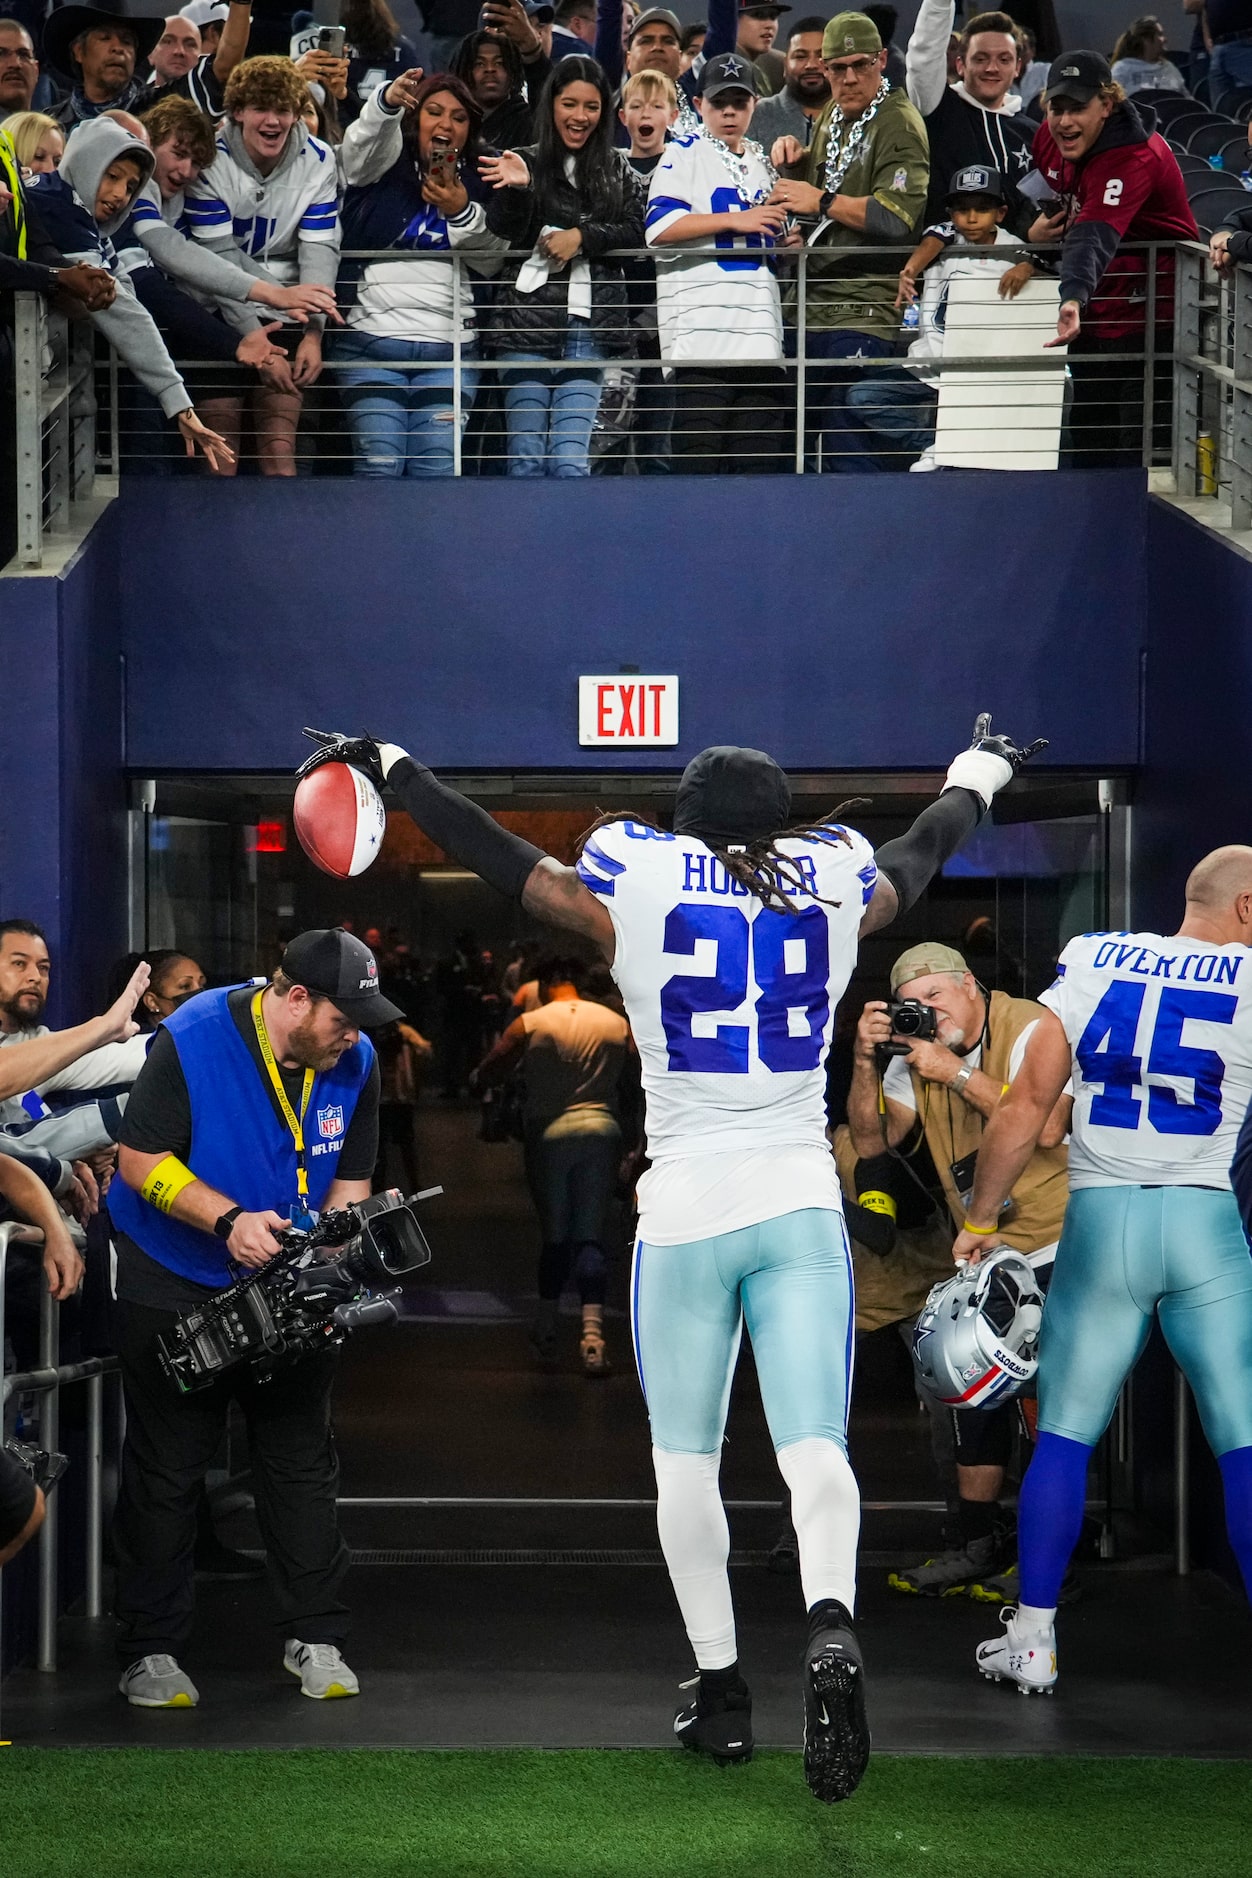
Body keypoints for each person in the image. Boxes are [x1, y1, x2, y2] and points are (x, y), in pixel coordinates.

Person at [297, 711, 1046, 1802]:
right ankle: (829, 1624)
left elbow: (508, 865)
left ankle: (722, 1689)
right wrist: (977, 774)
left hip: (689, 1205)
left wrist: (402, 770)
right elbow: (920, 850)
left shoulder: (638, 875)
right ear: (783, 818)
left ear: (684, 820)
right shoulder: (832, 878)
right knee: (814, 1448)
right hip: (796, 1202)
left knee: (684, 1463)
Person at [953, 848, 1252, 1693]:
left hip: (1102, 1220)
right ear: (1245, 909)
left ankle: (1036, 1642)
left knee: (1066, 1436)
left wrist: (980, 1220)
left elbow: (1023, 1108)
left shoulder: (1093, 958)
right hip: (1204, 1222)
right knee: (1244, 1442)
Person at [106, 929, 398, 1709]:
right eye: (344, 1016)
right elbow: (140, 1162)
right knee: (169, 1466)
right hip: (176, 1274)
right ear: (295, 998)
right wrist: (228, 1219)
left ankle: (316, 1635)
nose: (354, 1034)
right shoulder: (195, 1034)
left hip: (288, 1282)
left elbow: (354, 1180)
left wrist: (330, 1264)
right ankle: (151, 1651)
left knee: (301, 1459)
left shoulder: (354, 1060)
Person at [847, 939, 1069, 1598]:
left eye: (934, 998)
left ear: (969, 985)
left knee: (1046, 1406)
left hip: (1058, 1241)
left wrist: (954, 1072)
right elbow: (870, 1140)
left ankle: (1046, 1567)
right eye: (909, 1005)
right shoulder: (912, 1054)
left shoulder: (1031, 1024)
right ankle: (977, 1545)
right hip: (983, 1251)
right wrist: (866, 1060)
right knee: (969, 1396)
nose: (924, 1013)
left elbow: (1052, 1123)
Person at [28, 114, 236, 470]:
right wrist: (178, 401)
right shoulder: (58, 206)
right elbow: (124, 313)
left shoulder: (76, 209)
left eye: (130, 185)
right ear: (86, 163)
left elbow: (123, 289)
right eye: (112, 177)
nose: (119, 195)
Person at [769, 12, 929, 470]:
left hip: (862, 308)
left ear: (882, 60)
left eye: (862, 65)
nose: (851, 78)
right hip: (810, 304)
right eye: (839, 68)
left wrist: (818, 198)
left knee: (846, 435)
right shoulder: (831, 117)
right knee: (795, 440)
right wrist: (797, 170)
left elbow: (895, 218)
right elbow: (828, 204)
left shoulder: (898, 122)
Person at [335, 68, 508, 477]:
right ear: (415, 118)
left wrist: (460, 211)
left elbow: (494, 261)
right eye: (433, 111)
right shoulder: (384, 161)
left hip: (450, 356)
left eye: (459, 117)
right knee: (379, 469)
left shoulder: (484, 180)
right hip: (370, 349)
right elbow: (356, 154)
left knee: (437, 474)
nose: (445, 124)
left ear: (470, 130)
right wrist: (386, 104)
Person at [1030, 50, 1196, 468]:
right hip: (1098, 309)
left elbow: (1093, 234)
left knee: (1142, 455)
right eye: (1057, 107)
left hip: (1158, 317)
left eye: (1078, 109)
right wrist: (1034, 229)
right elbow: (1043, 196)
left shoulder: (1134, 155)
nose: (1065, 121)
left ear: (1107, 104)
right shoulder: (1047, 140)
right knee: (1089, 441)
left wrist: (1071, 295)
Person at [481, 56, 645, 478]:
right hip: (524, 330)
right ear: (550, 104)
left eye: (591, 107)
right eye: (569, 104)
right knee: (526, 461)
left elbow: (636, 229)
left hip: (588, 334)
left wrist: (582, 238)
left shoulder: (618, 167)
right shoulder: (521, 161)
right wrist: (521, 190)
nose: (580, 116)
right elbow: (503, 227)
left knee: (572, 464)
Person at [184, 55, 343, 474]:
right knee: (220, 458)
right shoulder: (208, 161)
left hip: (288, 314)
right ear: (237, 111)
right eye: (260, 108)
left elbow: (319, 249)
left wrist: (313, 334)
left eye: (283, 109)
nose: (273, 121)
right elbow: (217, 261)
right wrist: (256, 340)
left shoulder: (321, 159)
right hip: (215, 312)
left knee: (279, 452)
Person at [475, 954, 630, 1374]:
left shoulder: (531, 1022)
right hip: (602, 1130)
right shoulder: (616, 1023)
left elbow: (491, 1070)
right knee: (592, 1236)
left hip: (550, 1135)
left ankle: (546, 1326)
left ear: (544, 984)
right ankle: (594, 1338)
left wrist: (492, 1078)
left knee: (557, 1235)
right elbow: (638, 1076)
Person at [835, 163, 1034, 470]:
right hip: (931, 362)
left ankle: (956, 448)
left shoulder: (1016, 249)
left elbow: (1048, 270)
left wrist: (1027, 267)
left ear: (1001, 213)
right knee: (862, 396)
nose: (970, 218)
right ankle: (935, 444)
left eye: (981, 209)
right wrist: (911, 270)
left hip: (986, 370)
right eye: (961, 209)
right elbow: (935, 236)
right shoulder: (942, 240)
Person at [646, 52, 790, 474]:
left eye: (739, 102)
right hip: (702, 343)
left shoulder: (761, 163)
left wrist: (783, 240)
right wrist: (738, 219)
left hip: (761, 342)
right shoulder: (682, 153)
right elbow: (658, 227)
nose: (729, 111)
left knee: (756, 476)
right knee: (699, 475)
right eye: (718, 102)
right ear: (697, 105)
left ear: (755, 105)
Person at [905, 3, 1035, 235]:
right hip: (947, 262)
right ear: (960, 65)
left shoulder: (1032, 132)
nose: (992, 68)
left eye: (1004, 59)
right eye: (981, 59)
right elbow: (924, 55)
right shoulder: (938, 108)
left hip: (1020, 262)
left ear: (1017, 67)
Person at [43, 4, 165, 132]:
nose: (118, 48)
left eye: (127, 41)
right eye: (105, 38)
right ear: (79, 51)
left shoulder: (158, 110)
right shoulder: (51, 123)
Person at [136, 0, 252, 117]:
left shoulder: (197, 89)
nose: (179, 51)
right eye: (168, 41)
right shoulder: (131, 98)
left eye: (190, 44)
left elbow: (226, 64)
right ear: (150, 55)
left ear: (200, 55)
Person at [451, 23, 551, 155]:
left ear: (513, 71)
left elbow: (545, 94)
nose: (490, 69)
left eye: (499, 63)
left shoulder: (528, 121)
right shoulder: (450, 121)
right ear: (463, 71)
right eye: (479, 64)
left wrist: (532, 52)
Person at [750, 16, 830, 153]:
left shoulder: (857, 115)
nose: (811, 65)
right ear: (785, 65)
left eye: (821, 56)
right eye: (800, 56)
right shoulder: (755, 115)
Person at [1111, 15, 1189, 94]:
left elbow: (1187, 100)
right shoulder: (1122, 69)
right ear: (1146, 39)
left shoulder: (1169, 68)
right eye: (1160, 34)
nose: (1165, 39)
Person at [736, 0, 788, 95]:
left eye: (773, 17)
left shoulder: (779, 62)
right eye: (758, 15)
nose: (769, 25)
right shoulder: (718, 62)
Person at [0, 20, 40, 123]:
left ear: (36, 70)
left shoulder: (56, 134)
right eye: (1, 54)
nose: (15, 64)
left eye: (24, 54)